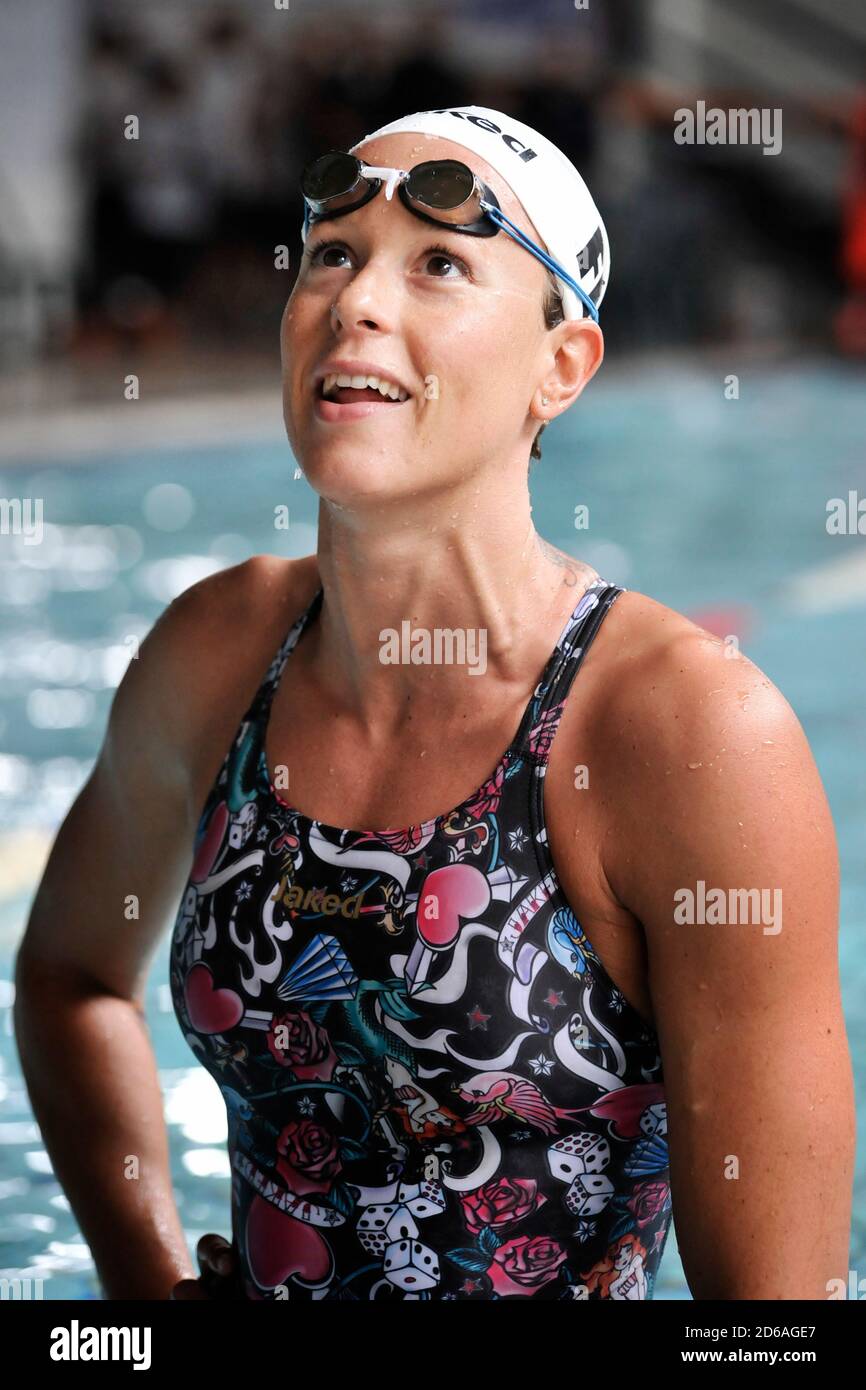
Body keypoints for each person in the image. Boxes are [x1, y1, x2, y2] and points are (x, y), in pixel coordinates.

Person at [15, 105, 853, 1301]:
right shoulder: (220, 647)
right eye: (331, 256)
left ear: (558, 367)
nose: (356, 301)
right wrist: (143, 1287)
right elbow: (72, 980)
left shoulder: (683, 732)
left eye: (441, 265)